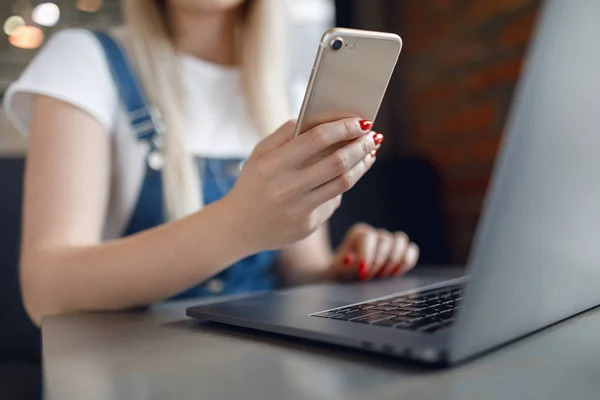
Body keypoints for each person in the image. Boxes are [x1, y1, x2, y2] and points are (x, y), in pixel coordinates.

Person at [3, 0, 420, 326]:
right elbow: (48, 289)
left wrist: (345, 269)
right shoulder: (83, 60)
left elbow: (301, 268)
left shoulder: (284, 91)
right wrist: (240, 224)